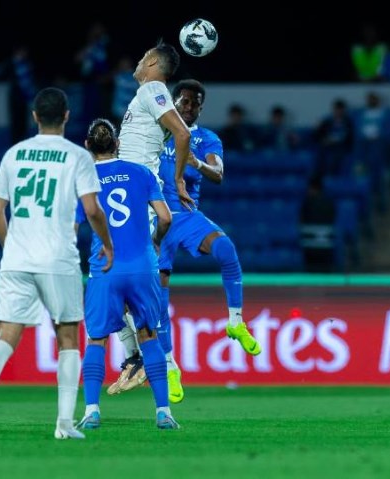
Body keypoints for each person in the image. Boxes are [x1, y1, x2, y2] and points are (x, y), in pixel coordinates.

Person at [0, 87, 114, 441]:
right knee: (68, 337)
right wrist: (107, 245)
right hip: (57, 258)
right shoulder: (78, 156)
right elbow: (92, 209)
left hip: (17, 258)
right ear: (66, 116)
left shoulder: (14, 155)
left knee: (6, 335)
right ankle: (63, 424)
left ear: (34, 117)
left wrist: (10, 246)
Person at [153, 79, 262, 403]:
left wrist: (194, 162)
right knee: (158, 294)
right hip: (155, 217)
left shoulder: (206, 139)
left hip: (186, 217)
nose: (188, 107)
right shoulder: (156, 132)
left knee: (226, 248)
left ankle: (236, 322)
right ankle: (171, 365)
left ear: (201, 107)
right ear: (173, 102)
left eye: (194, 103)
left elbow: (217, 174)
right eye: (183, 101)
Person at [75, 118, 178, 430]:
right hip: (142, 266)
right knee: (148, 335)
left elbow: (74, 225)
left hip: (105, 267)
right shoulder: (141, 173)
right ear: (117, 144)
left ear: (87, 147)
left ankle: (92, 411)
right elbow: (165, 217)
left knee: (96, 339)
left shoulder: (84, 177)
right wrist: (156, 242)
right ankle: (164, 413)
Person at [104, 39, 195, 395]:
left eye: (143, 56)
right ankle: (136, 356)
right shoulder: (146, 95)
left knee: (118, 279)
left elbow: (182, 132)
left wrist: (177, 178)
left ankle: (148, 356)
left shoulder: (153, 88)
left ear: (154, 61)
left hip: (139, 201)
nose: (138, 61)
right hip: (130, 199)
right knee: (111, 278)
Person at [0, 45, 37, 144]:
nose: (26, 54)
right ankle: (15, 143)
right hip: (15, 96)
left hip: (25, 96)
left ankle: (24, 141)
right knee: (15, 121)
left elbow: (31, 79)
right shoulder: (10, 62)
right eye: (24, 51)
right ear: (18, 52)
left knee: (24, 121)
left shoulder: (27, 63)